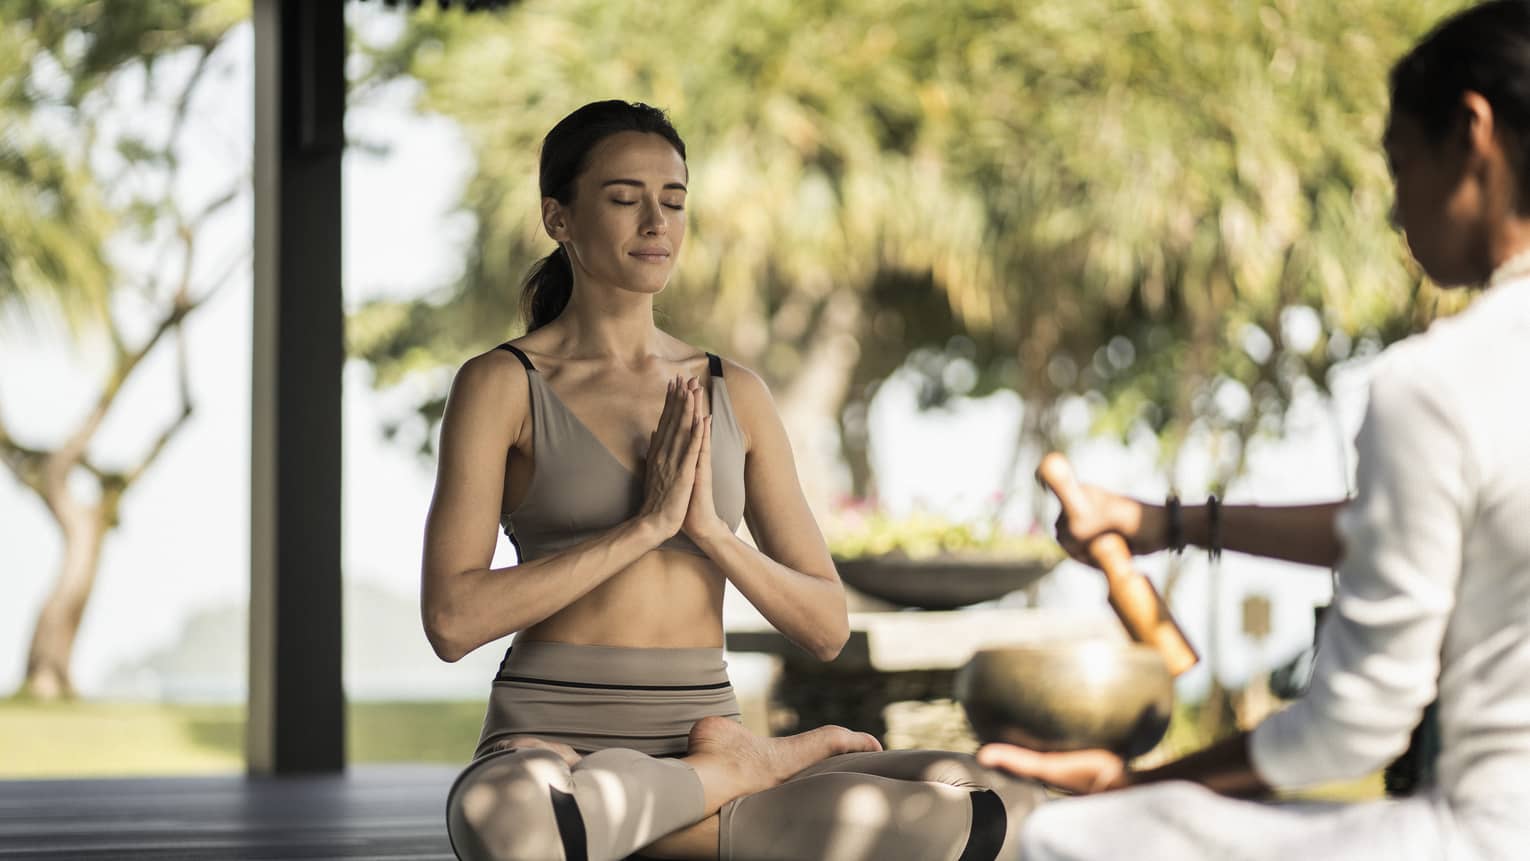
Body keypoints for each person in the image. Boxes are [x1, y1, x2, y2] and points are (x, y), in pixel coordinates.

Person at [977, 2, 1530, 858]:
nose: (1396, 210)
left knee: (1060, 837)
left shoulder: (1440, 382)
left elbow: (1350, 727)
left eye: (1401, 164)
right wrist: (1168, 522)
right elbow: (1436, 527)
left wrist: (1130, 789)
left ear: (1471, 132)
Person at [425, 100, 1045, 861]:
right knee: (505, 816)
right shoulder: (502, 384)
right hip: (552, 745)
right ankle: (734, 783)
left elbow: (825, 627)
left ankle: (659, 811)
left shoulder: (735, 391)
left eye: (674, 200)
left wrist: (711, 534)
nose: (656, 222)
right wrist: (645, 527)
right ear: (559, 218)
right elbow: (452, 621)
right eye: (623, 199)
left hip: (701, 729)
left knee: (1001, 800)